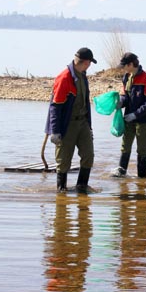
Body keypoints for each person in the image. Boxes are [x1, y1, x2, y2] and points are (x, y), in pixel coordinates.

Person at [45, 47, 96, 193]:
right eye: (90, 63)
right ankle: (61, 191)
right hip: (67, 125)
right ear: (86, 62)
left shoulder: (82, 75)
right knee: (63, 161)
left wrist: (89, 127)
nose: (90, 65)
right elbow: (55, 107)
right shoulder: (65, 77)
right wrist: (54, 131)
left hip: (83, 123)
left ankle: (82, 187)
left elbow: (85, 102)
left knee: (88, 155)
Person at [111, 52, 146, 178]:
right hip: (128, 120)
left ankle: (142, 179)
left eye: (125, 66)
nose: (123, 69)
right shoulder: (126, 77)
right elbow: (125, 96)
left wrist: (135, 115)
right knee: (125, 146)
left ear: (131, 64)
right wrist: (121, 102)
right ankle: (121, 173)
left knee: (142, 149)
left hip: (144, 121)